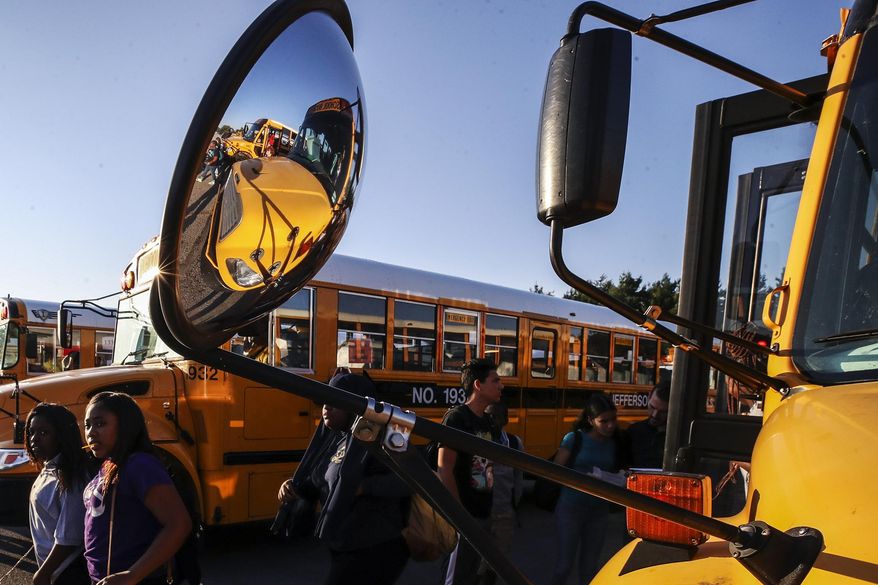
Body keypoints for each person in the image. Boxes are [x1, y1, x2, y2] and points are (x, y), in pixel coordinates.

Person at [277, 372, 410, 585]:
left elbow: (407, 481)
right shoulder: (334, 438)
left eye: (335, 402)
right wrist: (293, 488)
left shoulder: (388, 431)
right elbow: (321, 479)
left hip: (376, 547)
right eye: (325, 402)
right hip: (343, 544)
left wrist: (364, 487)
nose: (326, 407)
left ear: (355, 407)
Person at [82, 391, 191, 585]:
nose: (91, 432)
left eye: (100, 423)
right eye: (87, 425)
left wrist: (132, 575)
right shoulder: (110, 463)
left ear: (125, 426)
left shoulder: (140, 465)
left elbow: (179, 524)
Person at [437, 358, 502, 585]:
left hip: (483, 514)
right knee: (454, 578)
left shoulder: (488, 421)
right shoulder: (457, 418)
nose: (501, 386)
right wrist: (459, 516)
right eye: (495, 381)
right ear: (478, 385)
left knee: (470, 575)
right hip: (464, 518)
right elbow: (445, 469)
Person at [550, 393, 626, 585]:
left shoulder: (615, 443)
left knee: (590, 568)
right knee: (564, 565)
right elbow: (555, 471)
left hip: (598, 512)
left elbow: (618, 473)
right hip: (571, 508)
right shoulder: (574, 439)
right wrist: (581, 479)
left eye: (613, 420)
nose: (610, 425)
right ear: (591, 420)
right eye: (604, 421)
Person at [26, 403, 95, 585]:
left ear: (62, 435)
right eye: (32, 432)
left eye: (44, 433)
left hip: (67, 572)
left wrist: (43, 574)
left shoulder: (72, 477)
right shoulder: (49, 468)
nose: (34, 439)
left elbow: (69, 537)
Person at [479, 401, 522, 585]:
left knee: (496, 563)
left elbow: (518, 479)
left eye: (496, 416)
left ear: (505, 419)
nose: (492, 420)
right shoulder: (476, 440)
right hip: (480, 512)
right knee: (476, 562)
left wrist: (514, 507)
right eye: (488, 415)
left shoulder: (514, 443)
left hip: (504, 513)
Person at [626, 380, 670, 469]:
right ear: (649, 396)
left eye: (663, 412)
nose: (654, 415)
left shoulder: (678, 437)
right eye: (652, 407)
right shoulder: (634, 432)